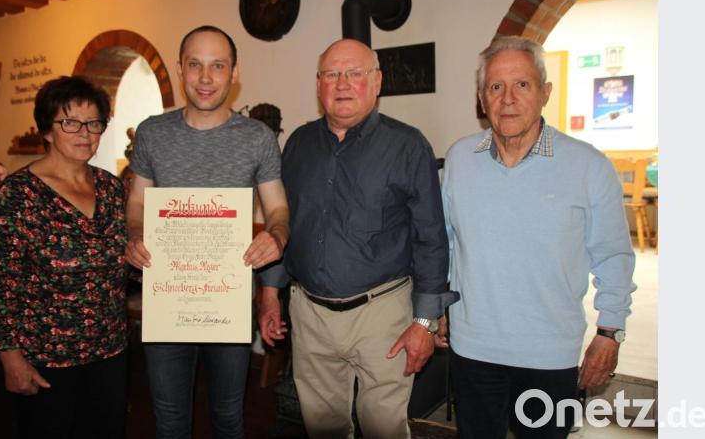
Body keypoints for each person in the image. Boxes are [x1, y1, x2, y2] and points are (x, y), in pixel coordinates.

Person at [257, 38, 455, 439]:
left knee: (384, 428)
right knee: (323, 427)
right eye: (331, 74)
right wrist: (269, 294)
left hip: (383, 314)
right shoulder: (297, 144)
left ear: (377, 82)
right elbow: (283, 224)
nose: (342, 83)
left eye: (355, 73)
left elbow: (431, 239)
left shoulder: (408, 146)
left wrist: (425, 323)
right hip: (310, 315)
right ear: (318, 85)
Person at [441, 36, 636, 438]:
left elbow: (614, 256)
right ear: (481, 98)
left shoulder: (588, 166)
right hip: (473, 349)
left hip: (549, 355)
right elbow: (446, 242)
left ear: (545, 92)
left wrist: (609, 331)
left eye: (522, 85)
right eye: (496, 87)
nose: (508, 98)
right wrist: (442, 304)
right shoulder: (459, 159)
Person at [124, 25, 289, 439]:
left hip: (226, 301)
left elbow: (278, 208)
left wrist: (278, 235)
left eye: (218, 66)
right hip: (167, 299)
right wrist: (134, 234)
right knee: (169, 421)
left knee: (229, 417)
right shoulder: (152, 133)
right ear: (180, 69)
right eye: (195, 64)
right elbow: (138, 202)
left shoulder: (257, 137)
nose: (205, 77)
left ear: (234, 74)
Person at [0, 76, 129, 439]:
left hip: (110, 352)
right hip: (47, 361)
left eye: (94, 123)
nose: (85, 133)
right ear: (47, 130)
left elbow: (120, 262)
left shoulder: (110, 187)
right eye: (70, 122)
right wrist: (9, 357)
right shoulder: (17, 194)